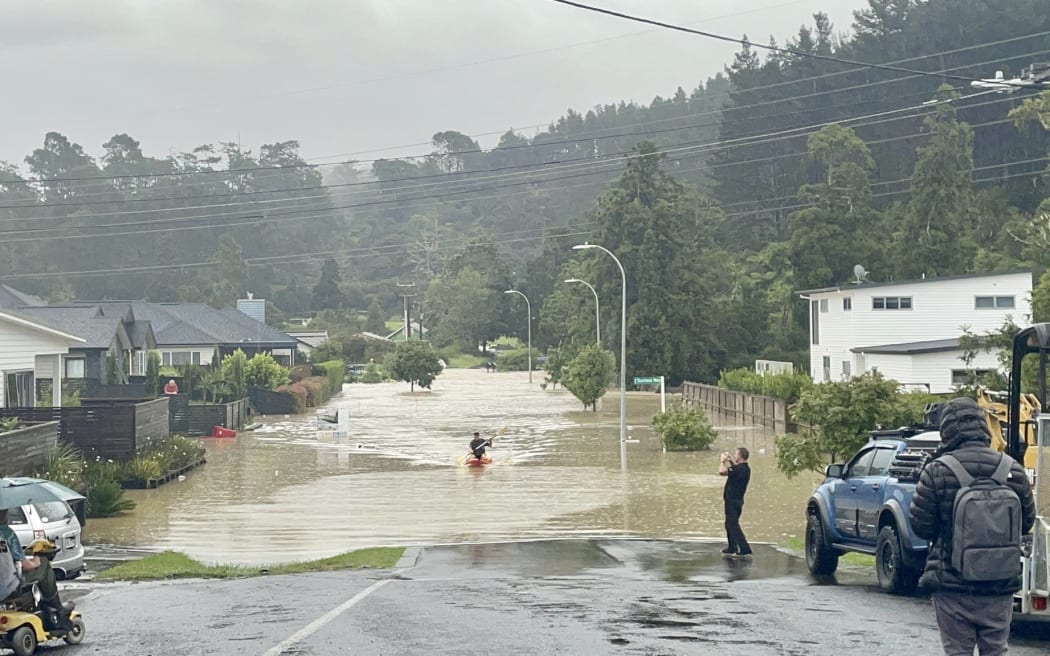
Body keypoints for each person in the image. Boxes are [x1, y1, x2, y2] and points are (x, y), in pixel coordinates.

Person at [909, 397, 1036, 656]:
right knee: (996, 650)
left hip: (952, 585)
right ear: (984, 427)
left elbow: (921, 526)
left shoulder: (937, 471)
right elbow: (1026, 523)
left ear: (947, 431)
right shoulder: (1013, 469)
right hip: (1000, 585)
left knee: (957, 651)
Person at [0, 508, 75, 630]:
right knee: (44, 564)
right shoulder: (7, 534)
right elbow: (25, 565)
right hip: (8, 586)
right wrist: (35, 562)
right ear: (3, 513)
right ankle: (56, 609)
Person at [718, 447, 752, 558]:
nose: (735, 456)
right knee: (729, 524)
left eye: (736, 455)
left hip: (732, 501)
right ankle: (732, 547)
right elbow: (735, 469)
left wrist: (722, 461)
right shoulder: (745, 469)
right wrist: (731, 461)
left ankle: (744, 549)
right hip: (737, 500)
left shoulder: (739, 470)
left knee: (733, 525)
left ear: (741, 456)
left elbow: (722, 471)